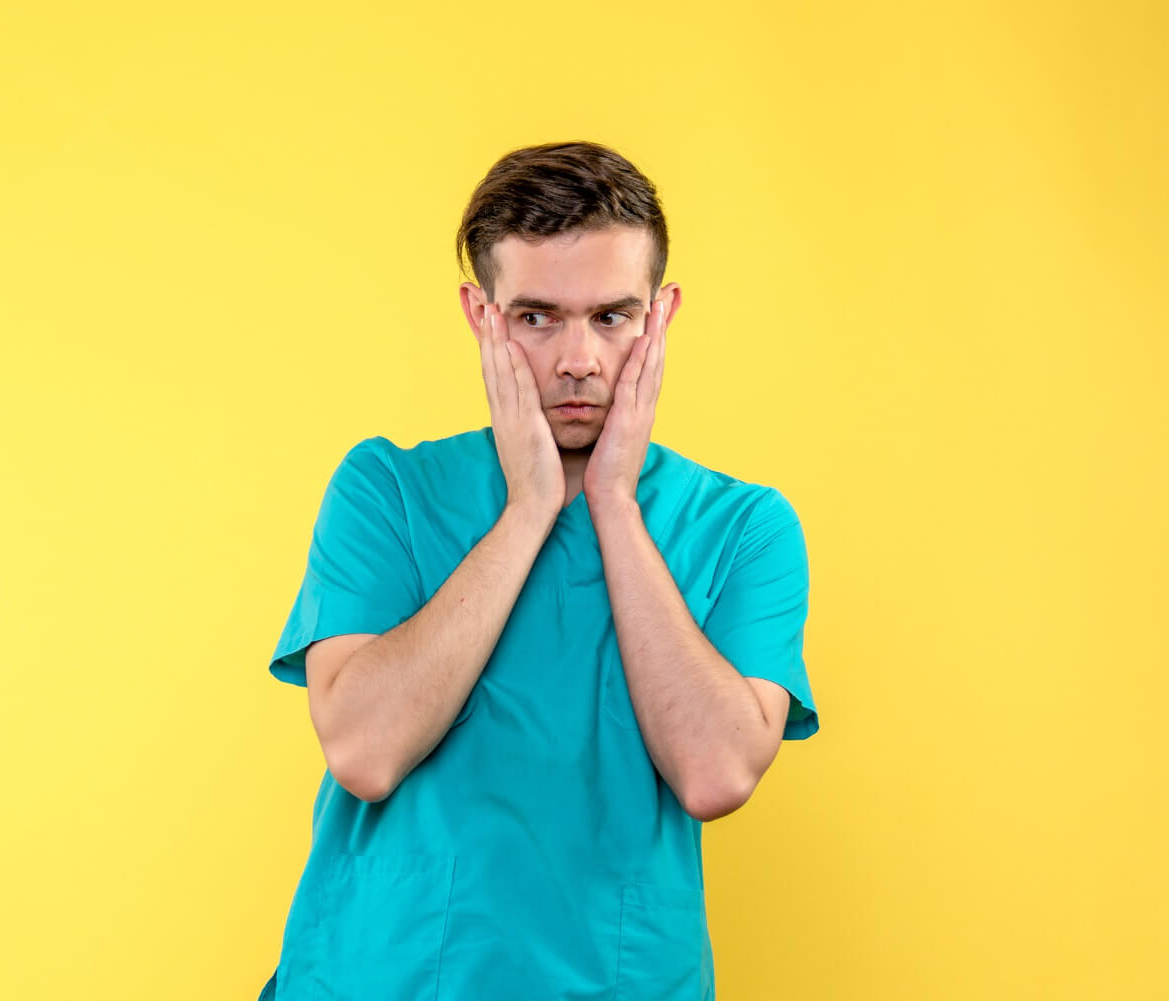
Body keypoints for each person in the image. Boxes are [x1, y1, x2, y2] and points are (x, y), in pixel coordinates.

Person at [256, 140, 819, 1000]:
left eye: (612, 317)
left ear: (660, 317)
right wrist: (527, 510)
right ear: (482, 316)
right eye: (535, 317)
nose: (578, 360)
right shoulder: (388, 491)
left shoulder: (744, 527)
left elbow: (716, 773)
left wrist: (616, 508)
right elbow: (364, 750)